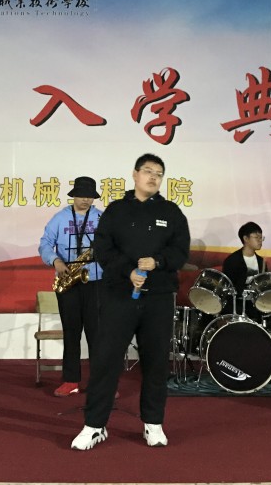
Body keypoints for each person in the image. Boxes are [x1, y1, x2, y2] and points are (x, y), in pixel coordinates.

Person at [71, 153, 190, 451]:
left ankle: (153, 423)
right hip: (119, 296)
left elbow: (180, 252)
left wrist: (158, 261)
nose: (153, 177)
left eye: (158, 174)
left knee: (156, 363)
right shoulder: (116, 211)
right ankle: (94, 425)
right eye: (148, 171)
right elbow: (103, 249)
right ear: (135, 175)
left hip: (158, 298)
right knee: (106, 360)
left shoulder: (172, 212)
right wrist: (129, 272)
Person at [38, 176, 103, 397]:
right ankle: (70, 380)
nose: (86, 200)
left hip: (96, 282)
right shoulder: (60, 218)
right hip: (68, 281)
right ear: (74, 196)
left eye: (90, 196)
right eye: (82, 195)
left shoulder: (102, 218)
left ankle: (101, 383)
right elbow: (45, 244)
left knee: (97, 335)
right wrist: (56, 261)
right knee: (71, 332)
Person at [221, 221, 267, 320]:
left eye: (261, 238)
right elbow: (227, 289)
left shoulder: (261, 261)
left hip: (257, 304)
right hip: (237, 305)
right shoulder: (232, 260)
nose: (260, 241)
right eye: (256, 237)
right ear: (246, 238)